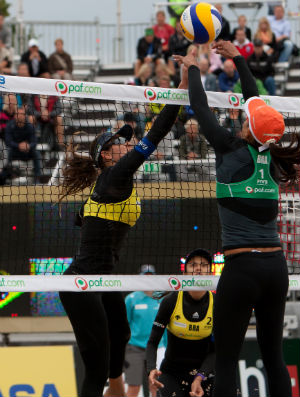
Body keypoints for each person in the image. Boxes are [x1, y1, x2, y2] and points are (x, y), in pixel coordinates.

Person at [174, 40, 295, 396]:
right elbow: (255, 100)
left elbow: (198, 103)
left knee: (226, 358)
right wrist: (240, 59)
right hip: (276, 268)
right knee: (274, 356)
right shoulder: (272, 157)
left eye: (246, 118)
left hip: (242, 269)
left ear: (247, 129)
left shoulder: (229, 148)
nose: (243, 116)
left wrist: (194, 65)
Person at [58, 71, 188, 397]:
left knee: (121, 331)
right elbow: (156, 133)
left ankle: (115, 391)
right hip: (81, 283)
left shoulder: (108, 186)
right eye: (121, 140)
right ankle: (109, 387)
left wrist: (87, 218)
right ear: (106, 154)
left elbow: (85, 220)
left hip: (103, 278)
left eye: (128, 138)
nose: (128, 141)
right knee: (97, 365)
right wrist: (181, 87)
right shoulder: (115, 176)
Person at [146, 248, 215, 397]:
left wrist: (200, 377)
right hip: (172, 373)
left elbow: (217, 350)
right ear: (184, 274)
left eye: (203, 265)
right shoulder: (170, 301)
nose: (198, 268)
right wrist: (151, 369)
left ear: (210, 274)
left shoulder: (217, 305)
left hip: (204, 374)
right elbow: (152, 342)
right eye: (193, 265)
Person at [125, 264, 167, 397]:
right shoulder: (131, 299)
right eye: (145, 277)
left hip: (157, 348)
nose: (148, 279)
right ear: (140, 278)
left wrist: (166, 346)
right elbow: (125, 325)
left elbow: (166, 325)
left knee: (155, 385)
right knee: (134, 387)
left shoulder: (162, 299)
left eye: (150, 276)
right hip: (135, 348)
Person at [5, 106, 41, 183]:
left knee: (36, 153)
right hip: (15, 151)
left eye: (22, 114)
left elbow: (34, 142)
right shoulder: (9, 126)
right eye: (18, 114)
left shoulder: (30, 126)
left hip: (27, 152)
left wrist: (28, 146)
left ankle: (37, 178)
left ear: (25, 115)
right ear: (15, 115)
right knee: (7, 152)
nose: (20, 116)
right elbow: (8, 142)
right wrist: (18, 145)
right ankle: (7, 176)